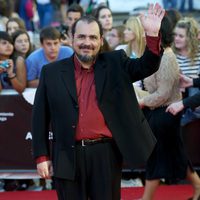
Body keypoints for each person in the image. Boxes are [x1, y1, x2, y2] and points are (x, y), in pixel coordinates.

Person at [32, 3, 165, 200]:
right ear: (71, 38)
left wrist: (152, 35)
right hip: (66, 155)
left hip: (106, 155)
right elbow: (39, 118)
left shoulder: (115, 63)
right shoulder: (50, 73)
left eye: (93, 37)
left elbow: (146, 66)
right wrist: (42, 157)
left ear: (101, 40)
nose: (88, 42)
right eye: (82, 37)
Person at [137, 15, 200, 200]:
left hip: (165, 114)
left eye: (146, 31)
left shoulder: (167, 58)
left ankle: (147, 197)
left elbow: (162, 94)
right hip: (159, 111)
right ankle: (198, 187)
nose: (143, 35)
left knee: (156, 156)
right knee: (176, 155)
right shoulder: (155, 55)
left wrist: (140, 101)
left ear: (157, 33)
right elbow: (152, 89)